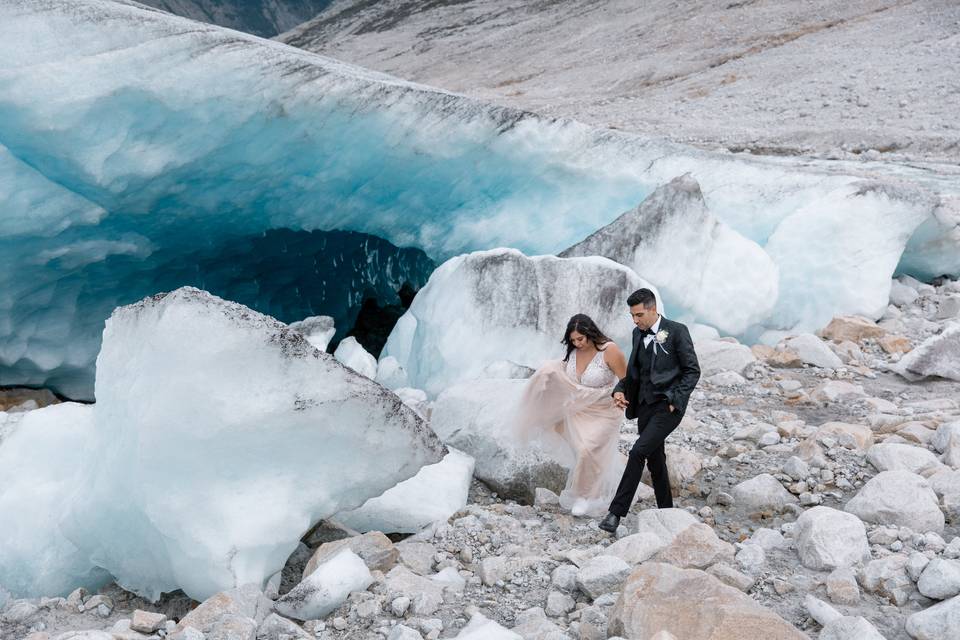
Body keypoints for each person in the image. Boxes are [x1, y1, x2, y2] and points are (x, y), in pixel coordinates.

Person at [598, 288, 700, 534]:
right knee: (655, 460)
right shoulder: (637, 334)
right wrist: (619, 390)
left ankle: (615, 514)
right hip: (644, 406)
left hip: (667, 407)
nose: (635, 320)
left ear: (653, 310)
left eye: (639, 315)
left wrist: (675, 398)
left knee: (637, 452)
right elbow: (634, 373)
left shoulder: (677, 331)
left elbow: (692, 370)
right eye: (632, 316)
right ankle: (667, 511)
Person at [514, 314, 628, 517]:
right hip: (579, 408)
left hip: (606, 410)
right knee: (582, 450)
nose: (577, 343)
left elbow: (627, 380)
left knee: (587, 449)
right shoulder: (573, 352)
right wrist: (545, 376)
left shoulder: (609, 350)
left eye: (580, 339)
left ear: (590, 334)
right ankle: (594, 487)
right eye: (573, 340)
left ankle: (584, 497)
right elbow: (561, 371)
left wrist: (622, 397)